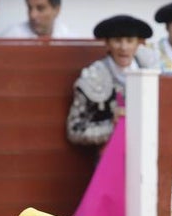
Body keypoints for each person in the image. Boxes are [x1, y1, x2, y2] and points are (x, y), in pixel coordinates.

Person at [66, 14, 155, 147]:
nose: (123, 47)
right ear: (107, 44)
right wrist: (111, 126)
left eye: (130, 40)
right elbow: (75, 130)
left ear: (138, 44)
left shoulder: (150, 72)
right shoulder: (93, 77)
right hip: (110, 155)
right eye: (117, 40)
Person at [1, 0, 74, 39]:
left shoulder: (70, 41)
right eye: (30, 8)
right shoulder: (11, 38)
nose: (33, 15)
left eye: (40, 8)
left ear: (56, 10)